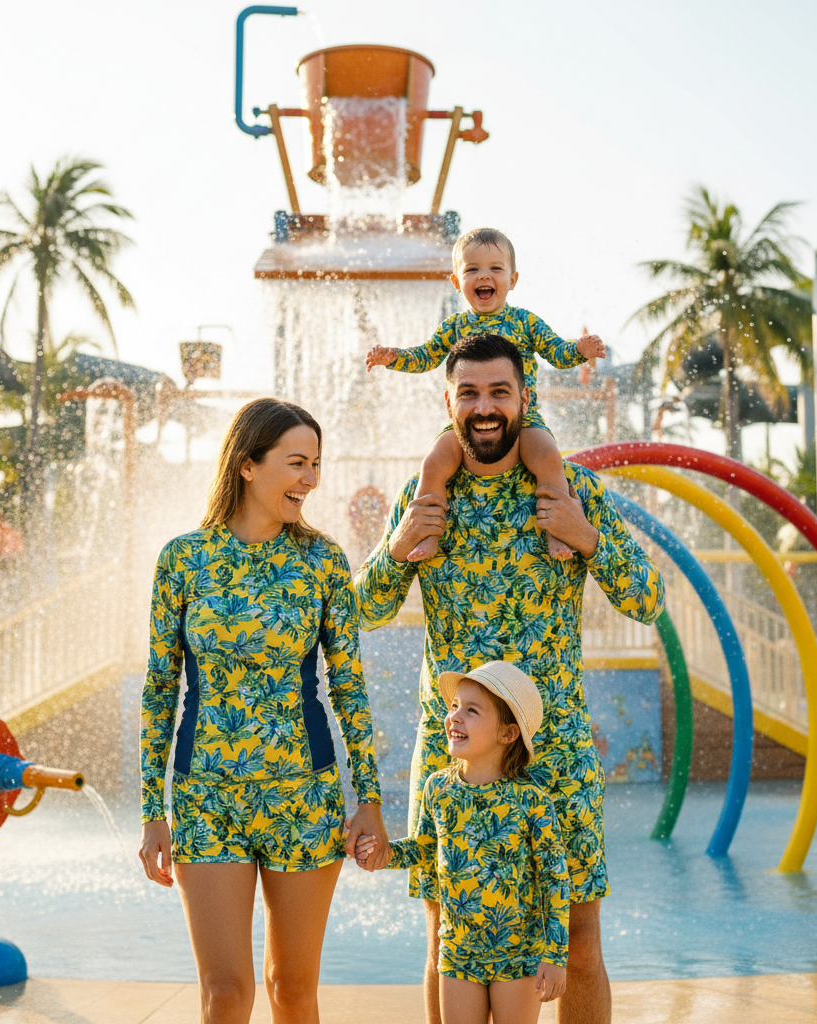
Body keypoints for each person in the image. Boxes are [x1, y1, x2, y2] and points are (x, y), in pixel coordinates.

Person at [354, 334, 665, 1024]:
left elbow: (648, 597)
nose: (485, 407)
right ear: (449, 403)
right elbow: (364, 612)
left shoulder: (573, 489)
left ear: (526, 399)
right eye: (469, 393)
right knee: (446, 942)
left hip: (554, 756)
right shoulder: (425, 495)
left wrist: (586, 537)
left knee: (578, 945)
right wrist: (401, 544)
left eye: (500, 392)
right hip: (453, 753)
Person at [138, 398, 389, 1024]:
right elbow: (159, 689)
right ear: (248, 465)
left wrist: (371, 800)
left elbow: (349, 687)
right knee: (225, 994)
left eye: (316, 464)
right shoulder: (183, 560)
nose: (311, 479)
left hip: (304, 798)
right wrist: (151, 811)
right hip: (206, 798)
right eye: (297, 463)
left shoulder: (324, 561)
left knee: (292, 990)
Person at [364, 225, 606, 562]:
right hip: (469, 422)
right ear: (456, 281)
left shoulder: (525, 322)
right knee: (434, 463)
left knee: (549, 458)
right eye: (472, 269)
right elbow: (426, 356)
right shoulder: (455, 326)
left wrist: (580, 349)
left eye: (495, 268)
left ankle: (557, 530)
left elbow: (556, 352)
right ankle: (427, 534)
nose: (484, 276)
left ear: (513, 279)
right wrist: (394, 358)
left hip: (524, 419)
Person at [356, 660, 570, 1024]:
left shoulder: (531, 801)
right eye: (454, 706)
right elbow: (425, 848)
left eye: (471, 711)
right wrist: (385, 853)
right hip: (457, 952)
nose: (454, 717)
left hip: (517, 955)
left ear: (507, 734)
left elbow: (555, 880)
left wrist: (555, 956)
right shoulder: (438, 789)